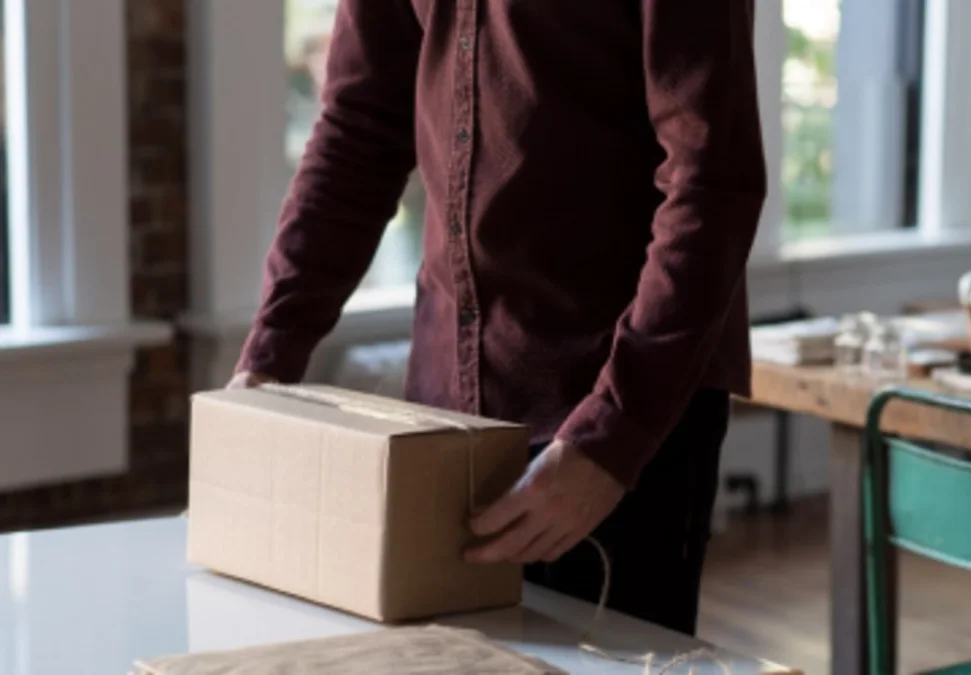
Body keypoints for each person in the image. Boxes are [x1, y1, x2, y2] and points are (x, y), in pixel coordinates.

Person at [231, 0, 765, 636]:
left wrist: (611, 439)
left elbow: (711, 184)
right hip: (443, 416)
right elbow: (358, 130)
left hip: (616, 413)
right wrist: (268, 358)